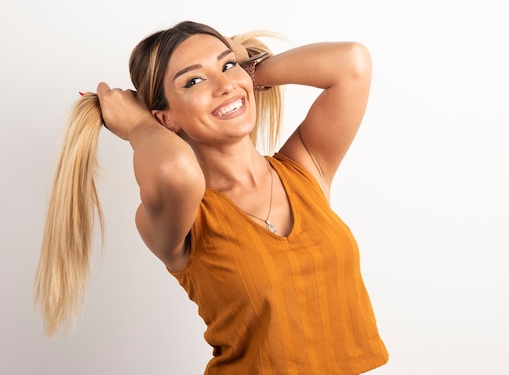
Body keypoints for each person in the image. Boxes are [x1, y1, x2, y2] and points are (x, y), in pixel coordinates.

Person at [34, 20, 389, 374]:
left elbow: (352, 63)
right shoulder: (186, 216)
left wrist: (247, 68)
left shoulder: (304, 170)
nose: (224, 85)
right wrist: (139, 126)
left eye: (226, 65)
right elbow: (177, 169)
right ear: (166, 118)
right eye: (194, 80)